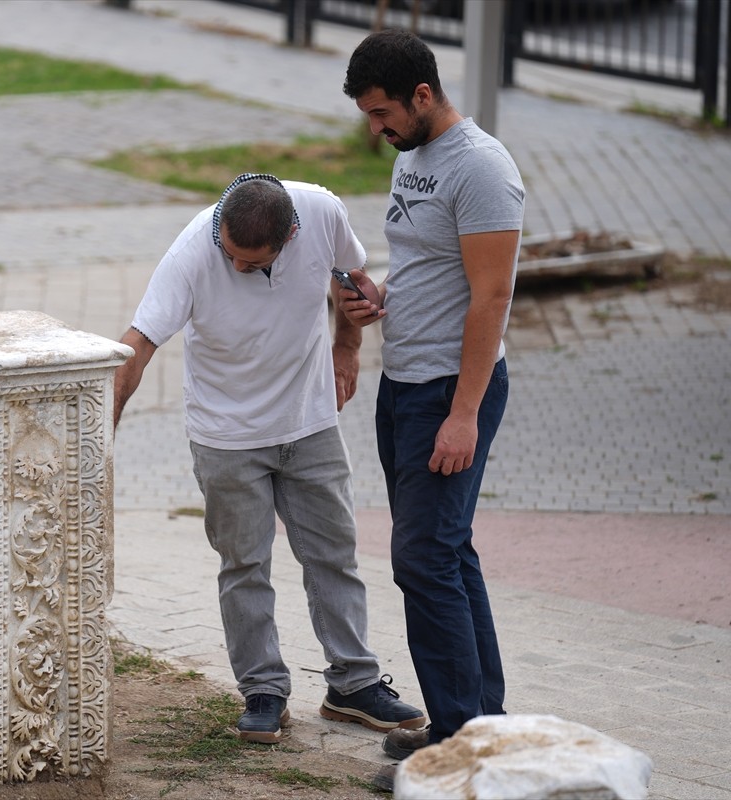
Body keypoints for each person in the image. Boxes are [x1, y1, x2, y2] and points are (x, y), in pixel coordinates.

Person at [112, 173, 425, 745]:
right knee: (245, 564)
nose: (235, 269)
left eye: (251, 264)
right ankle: (263, 690)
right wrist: (99, 434)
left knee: (334, 554)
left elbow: (351, 280)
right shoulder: (193, 251)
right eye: (228, 255)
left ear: (290, 237)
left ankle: (352, 685)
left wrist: (346, 347)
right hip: (225, 435)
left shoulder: (322, 212)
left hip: (308, 422)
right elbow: (139, 343)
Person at [338, 29, 526, 791]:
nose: (375, 131)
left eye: (383, 114)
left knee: (422, 558)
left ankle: (456, 752)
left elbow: (493, 295)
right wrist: (384, 295)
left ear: (423, 95)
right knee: (447, 552)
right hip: (405, 385)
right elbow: (428, 260)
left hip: (451, 393)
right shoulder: (414, 157)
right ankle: (481, 722)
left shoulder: (480, 168)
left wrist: (464, 414)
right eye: (367, 117)